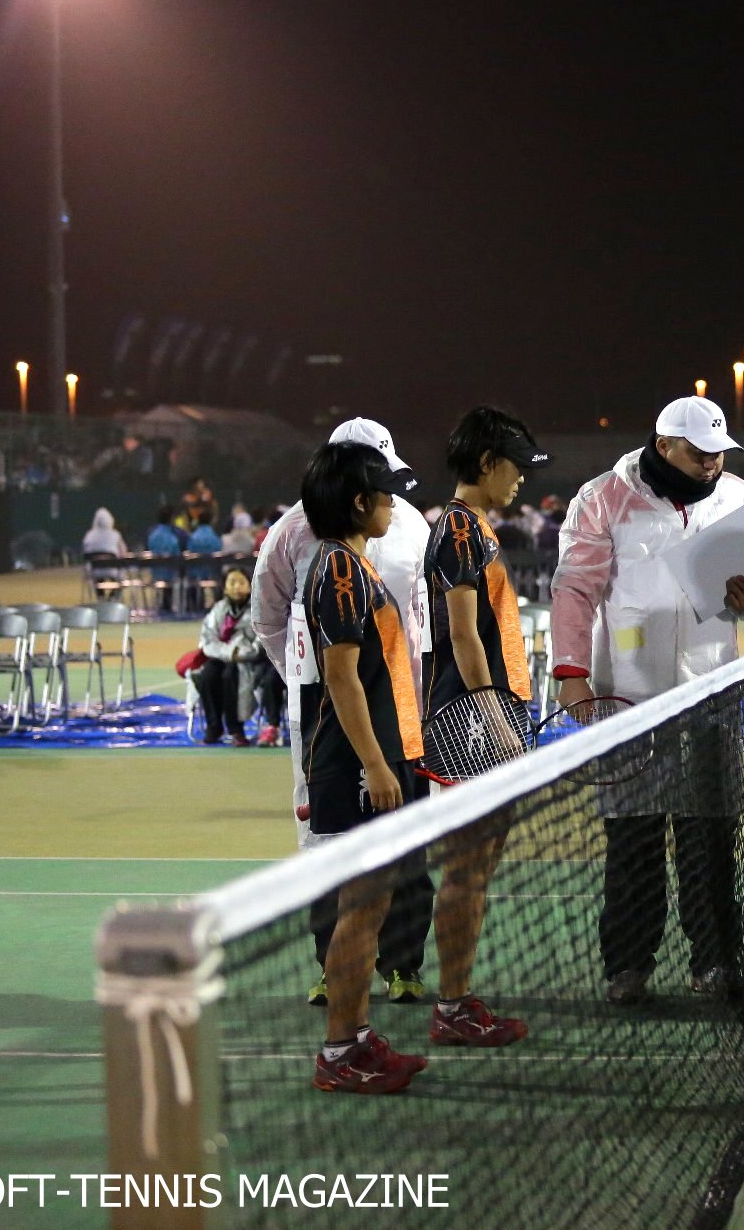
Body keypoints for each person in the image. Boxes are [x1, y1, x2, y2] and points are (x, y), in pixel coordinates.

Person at [549, 395, 744, 1005]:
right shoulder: (602, 497)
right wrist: (572, 674)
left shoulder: (736, 496)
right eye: (700, 454)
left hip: (710, 689)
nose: (713, 464)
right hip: (630, 694)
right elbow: (574, 590)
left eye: (719, 454)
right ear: (664, 446)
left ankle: (715, 964)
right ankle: (627, 968)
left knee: (710, 836)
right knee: (634, 839)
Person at [251, 417, 435, 1007]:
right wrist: (313, 689)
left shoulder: (409, 524)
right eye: (380, 488)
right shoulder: (300, 542)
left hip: (399, 712)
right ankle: (337, 974)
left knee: (404, 848)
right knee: (331, 849)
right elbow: (268, 619)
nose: (390, 499)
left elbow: (421, 617)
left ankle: (401, 964)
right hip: (333, 721)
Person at [296, 442, 436, 1094]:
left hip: (375, 760)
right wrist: (378, 765)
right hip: (356, 768)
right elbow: (343, 680)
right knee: (360, 907)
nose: (393, 504)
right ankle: (338, 1052)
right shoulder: (340, 571)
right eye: (386, 493)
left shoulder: (349, 564)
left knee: (371, 905)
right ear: (359, 501)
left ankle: (352, 1036)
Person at [418, 406, 547, 1046]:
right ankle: (453, 1006)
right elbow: (464, 635)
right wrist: (494, 717)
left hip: (493, 712)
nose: (521, 479)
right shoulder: (460, 532)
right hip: (474, 718)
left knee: (480, 865)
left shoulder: (476, 531)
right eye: (516, 467)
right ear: (488, 464)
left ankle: (458, 1001)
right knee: (468, 868)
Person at [192, 568, 283, 746]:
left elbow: (263, 639)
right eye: (232, 583)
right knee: (207, 675)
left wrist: (242, 654)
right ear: (225, 588)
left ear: (250, 586)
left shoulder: (260, 609)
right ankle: (214, 726)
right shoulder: (218, 610)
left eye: (241, 582)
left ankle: (236, 730)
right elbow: (207, 640)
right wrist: (230, 653)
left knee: (230, 675)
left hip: (252, 661)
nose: (237, 587)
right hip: (224, 657)